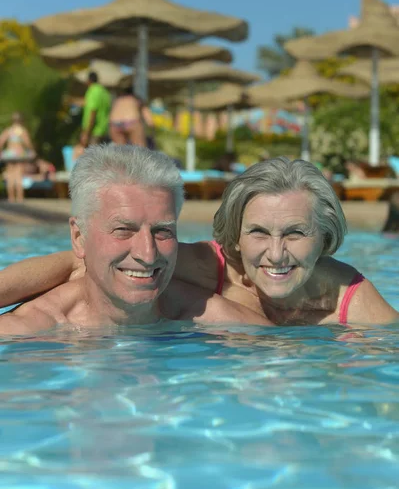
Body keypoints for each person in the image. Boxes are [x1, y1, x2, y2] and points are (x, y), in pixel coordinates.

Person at [0, 158, 397, 327]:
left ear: (324, 237)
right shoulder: (209, 266)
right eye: (259, 232)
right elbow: (79, 262)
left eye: (296, 233)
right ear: (235, 237)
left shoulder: (352, 301)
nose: (276, 254)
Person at [0, 144, 184, 334]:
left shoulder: (209, 317)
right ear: (79, 238)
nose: (148, 255)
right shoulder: (25, 335)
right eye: (123, 230)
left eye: (162, 230)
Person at [0, 112, 36, 202]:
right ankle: (20, 197)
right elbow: (27, 143)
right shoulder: (22, 131)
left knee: (10, 175)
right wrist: (32, 150)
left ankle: (11, 198)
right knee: (18, 175)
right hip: (19, 154)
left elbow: (1, 141)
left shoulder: (8, 130)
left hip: (9, 154)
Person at [80, 72, 112, 147]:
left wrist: (86, 133)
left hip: (94, 131)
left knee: (92, 157)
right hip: (104, 129)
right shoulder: (104, 91)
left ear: (88, 80)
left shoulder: (93, 91)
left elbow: (93, 112)